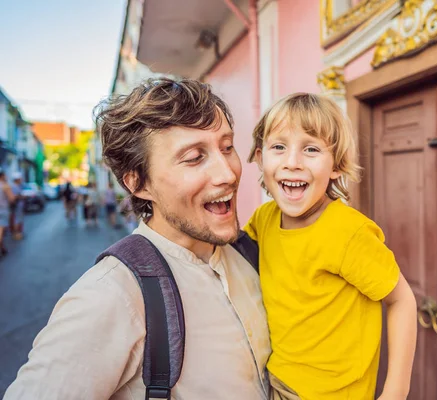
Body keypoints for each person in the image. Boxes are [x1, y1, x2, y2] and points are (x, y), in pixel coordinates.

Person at [5, 78, 270, 399]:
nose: (228, 173)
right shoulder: (110, 294)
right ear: (138, 183)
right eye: (194, 157)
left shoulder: (250, 252)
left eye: (227, 147)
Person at [244, 93, 417, 400]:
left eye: (311, 149)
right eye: (279, 147)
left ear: (336, 165)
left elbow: (401, 301)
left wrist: (396, 392)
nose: (292, 162)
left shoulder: (349, 233)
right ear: (260, 157)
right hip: (275, 382)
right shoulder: (263, 219)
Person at [0, 171, 16, 256]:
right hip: (2, 211)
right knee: (1, 231)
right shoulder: (5, 186)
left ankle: (3, 248)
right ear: (2, 176)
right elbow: (12, 198)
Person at [9, 172, 25, 240]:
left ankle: (17, 233)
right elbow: (13, 197)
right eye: (20, 179)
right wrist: (21, 196)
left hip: (19, 206)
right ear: (17, 179)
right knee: (16, 220)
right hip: (17, 206)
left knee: (18, 220)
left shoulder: (18, 186)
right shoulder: (14, 187)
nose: (21, 180)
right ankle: (16, 234)